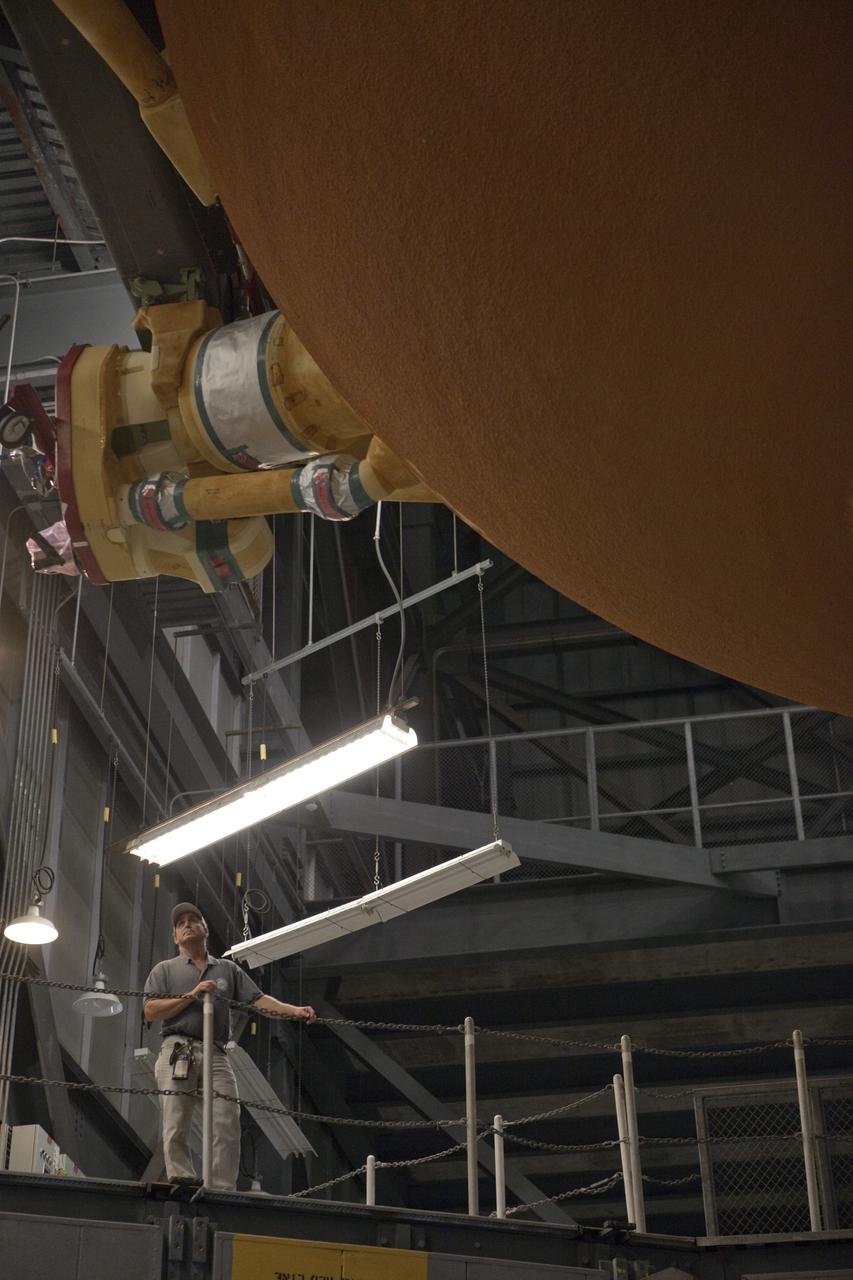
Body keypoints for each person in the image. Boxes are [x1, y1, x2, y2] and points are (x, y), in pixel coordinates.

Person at [143, 902, 315, 1190]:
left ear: (205, 929)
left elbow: (258, 1001)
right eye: (180, 923)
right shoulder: (165, 969)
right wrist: (191, 996)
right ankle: (181, 1175)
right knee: (175, 1116)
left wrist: (293, 1010)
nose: (187, 925)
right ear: (175, 937)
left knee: (227, 1118)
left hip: (216, 1052)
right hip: (177, 1049)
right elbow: (150, 1010)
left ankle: (221, 1185)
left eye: (193, 920)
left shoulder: (227, 970)